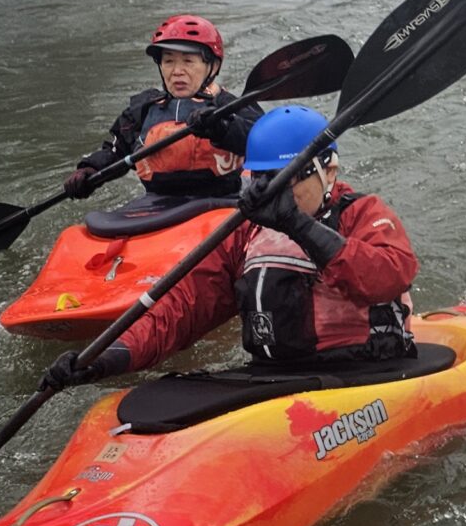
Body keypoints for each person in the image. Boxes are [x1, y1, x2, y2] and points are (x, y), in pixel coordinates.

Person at [41, 105, 420, 385]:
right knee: (149, 403)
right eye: (263, 179)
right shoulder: (245, 232)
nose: (273, 193)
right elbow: (180, 309)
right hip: (274, 374)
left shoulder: (362, 214)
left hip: (362, 371)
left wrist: (298, 226)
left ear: (329, 171)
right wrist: (104, 358)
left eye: (284, 179)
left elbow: (388, 276)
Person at [63, 14, 246, 199]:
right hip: (158, 203)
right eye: (168, 61)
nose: (177, 71)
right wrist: (90, 169)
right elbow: (116, 151)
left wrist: (222, 128)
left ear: (213, 66)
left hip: (224, 198)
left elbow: (256, 139)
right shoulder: (143, 109)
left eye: (188, 61)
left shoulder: (229, 105)